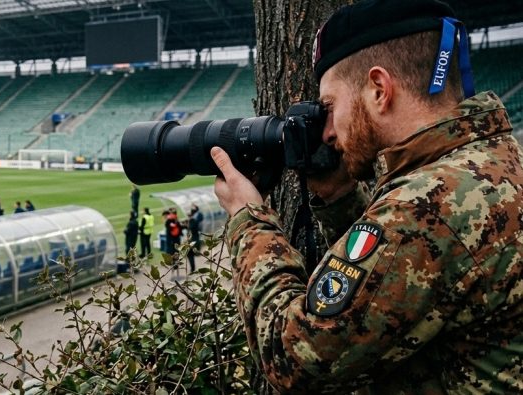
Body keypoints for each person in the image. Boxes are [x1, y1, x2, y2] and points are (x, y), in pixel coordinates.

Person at [210, 1, 523, 392]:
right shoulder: (494, 159)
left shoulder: (422, 207)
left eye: (330, 106)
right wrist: (340, 198)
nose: (327, 131)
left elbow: (293, 358)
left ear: (379, 89)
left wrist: (248, 218)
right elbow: (404, 284)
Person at [186, 204, 203, 273]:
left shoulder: (192, 222)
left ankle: (192, 269)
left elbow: (190, 230)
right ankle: (192, 268)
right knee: (190, 254)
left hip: (193, 242)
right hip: (194, 241)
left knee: (190, 254)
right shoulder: (194, 221)